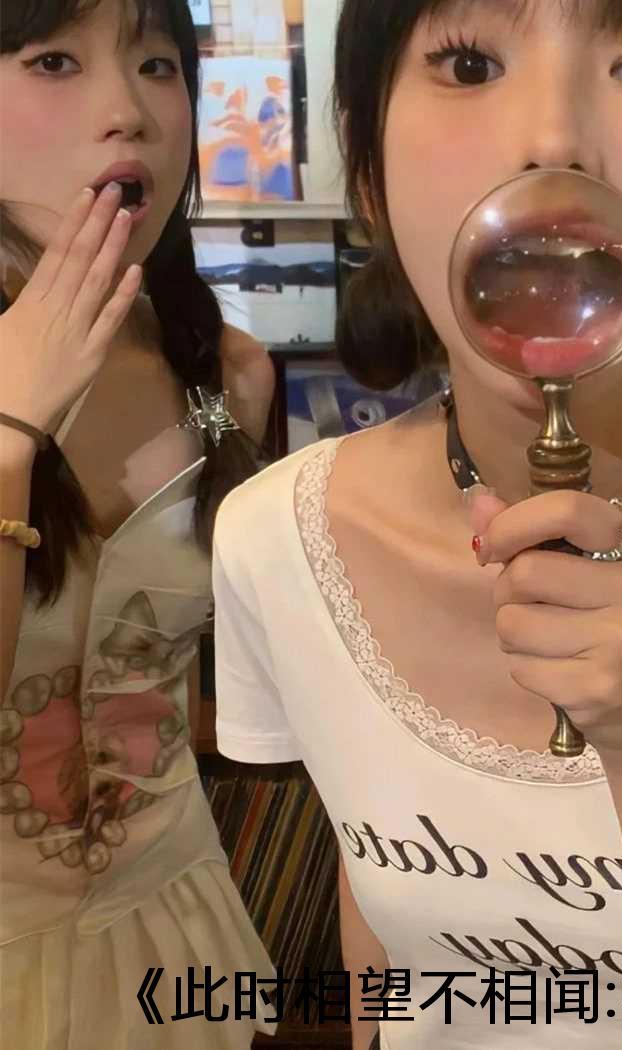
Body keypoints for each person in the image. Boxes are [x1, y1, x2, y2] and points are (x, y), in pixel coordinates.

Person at [212, 1, 622, 1048]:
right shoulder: (275, 540)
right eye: (470, 64)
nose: (554, 142)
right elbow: (378, 927)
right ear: (370, 171)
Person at [0, 1, 277, 1046]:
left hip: (177, 929)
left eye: (158, 65)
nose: (129, 111)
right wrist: (9, 434)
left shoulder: (229, 375)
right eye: (53, 61)